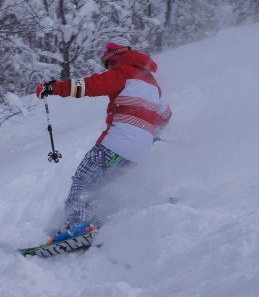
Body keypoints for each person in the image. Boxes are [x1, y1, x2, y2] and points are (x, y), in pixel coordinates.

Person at [35, 36, 172, 243]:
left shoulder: (123, 71)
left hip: (117, 142)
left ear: (114, 55)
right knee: (105, 184)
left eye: (107, 57)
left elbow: (91, 85)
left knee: (83, 180)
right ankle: (104, 218)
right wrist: (151, 135)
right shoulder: (155, 85)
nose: (106, 63)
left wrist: (54, 88)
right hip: (139, 150)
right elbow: (166, 115)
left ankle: (76, 227)